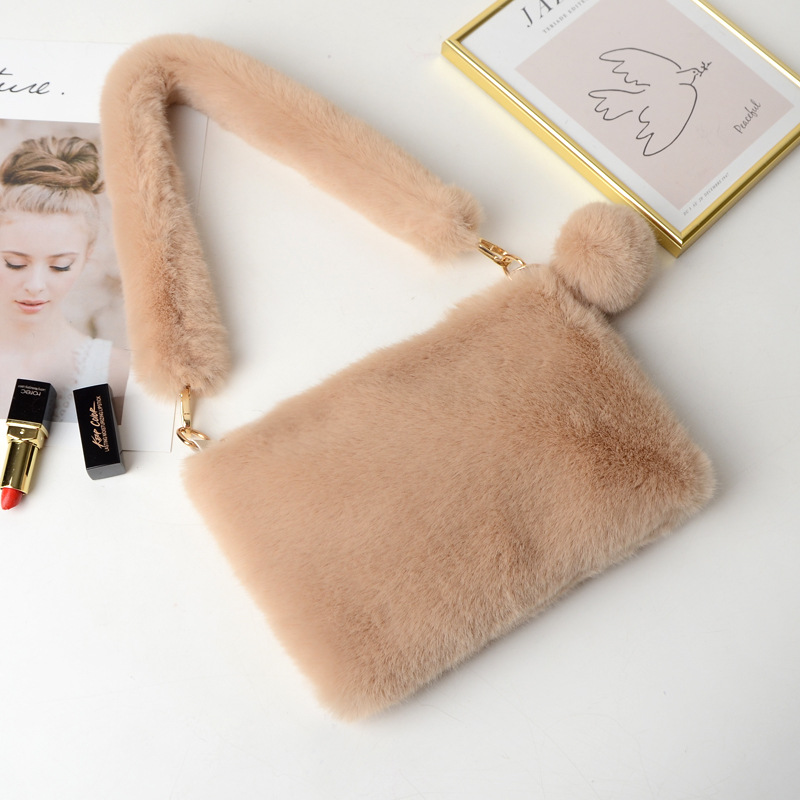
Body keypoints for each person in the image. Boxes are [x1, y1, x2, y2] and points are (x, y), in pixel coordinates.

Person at [0, 135, 129, 422]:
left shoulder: (114, 372)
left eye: (60, 266)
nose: (35, 286)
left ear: (86, 257)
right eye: (15, 263)